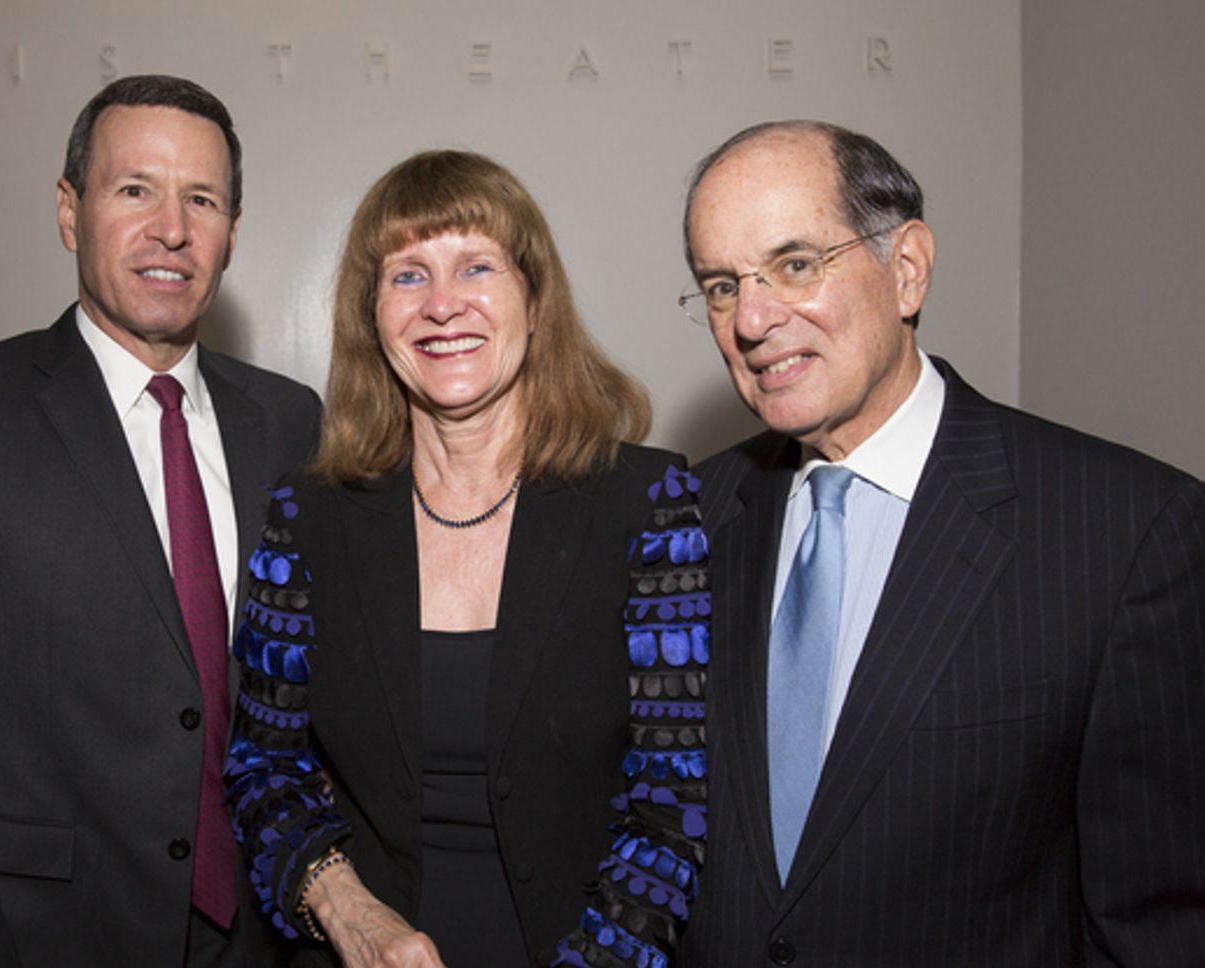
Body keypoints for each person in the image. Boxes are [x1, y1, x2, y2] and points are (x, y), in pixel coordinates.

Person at [678, 118, 1205, 965]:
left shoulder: (1125, 533)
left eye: (795, 264)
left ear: (908, 268)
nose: (753, 318)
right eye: (720, 286)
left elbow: (1156, 922)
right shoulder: (686, 523)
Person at [0, 75, 320, 967]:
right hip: (46, 938)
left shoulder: (290, 420)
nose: (171, 228)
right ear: (70, 211)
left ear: (230, 234)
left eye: (203, 199)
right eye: (134, 189)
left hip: (263, 935)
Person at [223, 150, 708, 968]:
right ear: (370, 314)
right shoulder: (307, 517)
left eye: (476, 266)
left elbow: (674, 809)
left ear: (534, 297)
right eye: (407, 276)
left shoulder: (649, 507)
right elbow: (263, 766)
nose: (442, 306)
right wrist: (349, 916)